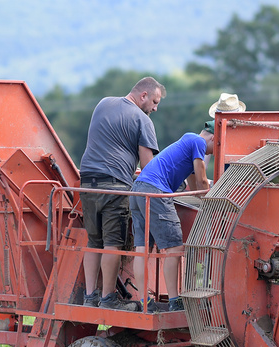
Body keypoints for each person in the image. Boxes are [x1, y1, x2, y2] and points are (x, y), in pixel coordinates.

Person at [78, 77, 165, 311]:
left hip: (86, 182)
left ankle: (89, 297)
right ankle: (107, 299)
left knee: (93, 241)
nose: (155, 108)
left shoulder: (103, 103)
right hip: (114, 186)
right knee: (113, 244)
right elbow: (148, 167)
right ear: (143, 96)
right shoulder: (142, 120)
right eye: (155, 102)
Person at [130, 121, 214, 312]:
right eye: (213, 148)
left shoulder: (188, 143)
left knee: (142, 247)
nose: (211, 153)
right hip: (156, 191)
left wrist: (203, 192)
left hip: (139, 190)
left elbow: (195, 188)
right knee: (174, 248)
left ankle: (145, 301)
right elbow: (201, 182)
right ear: (213, 138)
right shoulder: (198, 142)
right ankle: (175, 301)